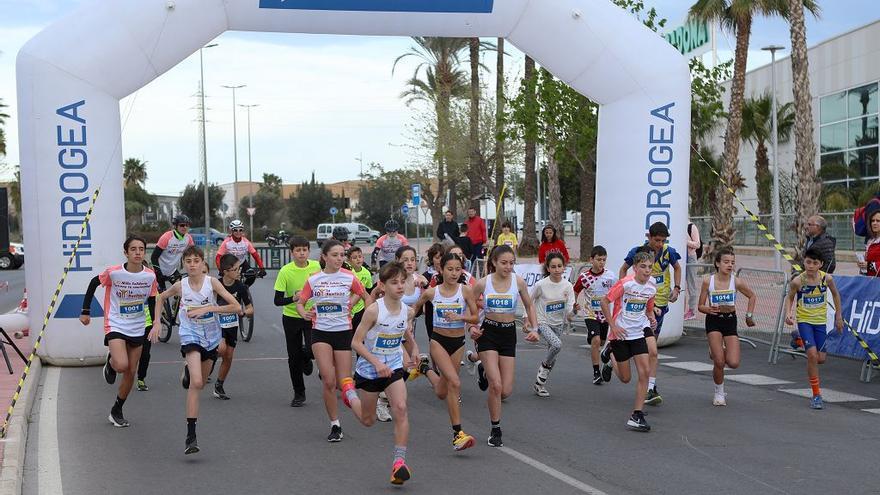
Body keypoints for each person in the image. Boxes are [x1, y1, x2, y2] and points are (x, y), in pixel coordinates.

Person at [150, 245, 241, 454]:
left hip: (211, 336)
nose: (192, 265)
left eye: (196, 261)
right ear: (184, 264)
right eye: (188, 261)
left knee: (199, 383)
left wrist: (210, 308)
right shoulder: (180, 285)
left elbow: (236, 306)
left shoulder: (213, 283)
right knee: (197, 382)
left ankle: (187, 369)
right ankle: (191, 436)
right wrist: (156, 323)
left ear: (203, 264)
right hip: (190, 333)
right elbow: (160, 297)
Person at [340, 262, 415, 485]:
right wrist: (375, 362)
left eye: (403, 281)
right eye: (394, 283)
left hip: (393, 366)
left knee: (400, 408)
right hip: (369, 370)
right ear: (382, 286)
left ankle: (398, 464)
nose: (400, 286)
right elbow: (355, 342)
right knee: (368, 420)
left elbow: (404, 333)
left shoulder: (408, 311)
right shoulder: (373, 310)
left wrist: (415, 351)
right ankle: (349, 394)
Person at [297, 240, 371, 442]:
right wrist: (304, 313)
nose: (339, 259)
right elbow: (301, 303)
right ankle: (335, 425)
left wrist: (356, 309)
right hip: (320, 332)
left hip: (343, 332)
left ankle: (353, 401)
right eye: (335, 255)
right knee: (329, 381)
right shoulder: (314, 279)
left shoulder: (349, 277)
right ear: (324, 257)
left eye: (342, 255)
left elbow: (365, 296)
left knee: (344, 382)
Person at [80, 236, 157, 428]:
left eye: (141, 249)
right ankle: (112, 361)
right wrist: (85, 310)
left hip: (138, 325)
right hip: (115, 323)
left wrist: (156, 323)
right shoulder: (114, 273)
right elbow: (93, 283)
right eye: (133, 249)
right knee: (122, 365)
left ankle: (117, 410)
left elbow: (153, 299)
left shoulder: (149, 276)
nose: (138, 252)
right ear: (126, 252)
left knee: (131, 371)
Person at [471, 245, 539, 447]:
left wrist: (534, 328)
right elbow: (470, 305)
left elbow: (529, 305)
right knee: (496, 385)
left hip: (509, 334)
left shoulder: (517, 281)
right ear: (493, 262)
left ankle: (483, 369)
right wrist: (472, 326)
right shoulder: (483, 283)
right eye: (504, 263)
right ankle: (495, 429)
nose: (508, 267)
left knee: (506, 391)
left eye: (511, 263)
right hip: (488, 333)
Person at [412, 252, 480, 452]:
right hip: (438, 341)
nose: (454, 273)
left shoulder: (466, 291)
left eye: (458, 269)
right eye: (449, 269)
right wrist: (405, 322)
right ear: (441, 269)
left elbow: (475, 317)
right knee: (454, 383)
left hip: (458, 342)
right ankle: (458, 433)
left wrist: (460, 316)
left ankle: (424, 369)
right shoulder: (432, 293)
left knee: (442, 391)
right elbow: (414, 309)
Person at [619, 222, 682, 406]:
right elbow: (624, 268)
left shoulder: (669, 252)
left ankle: (650, 387)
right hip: (637, 305)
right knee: (643, 348)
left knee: (652, 349)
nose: (659, 244)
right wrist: (625, 287)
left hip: (659, 304)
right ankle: (613, 352)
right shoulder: (638, 252)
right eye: (657, 240)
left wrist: (677, 288)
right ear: (649, 236)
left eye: (663, 240)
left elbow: (677, 268)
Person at [598, 250, 657, 432]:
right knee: (625, 378)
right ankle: (610, 354)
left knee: (645, 372)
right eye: (643, 267)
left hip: (638, 333)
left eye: (650, 267)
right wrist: (613, 326)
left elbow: (648, 306)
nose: (647, 271)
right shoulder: (626, 284)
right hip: (620, 334)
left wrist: (651, 316)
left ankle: (636, 414)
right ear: (634, 268)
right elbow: (604, 301)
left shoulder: (651, 287)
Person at [783, 248, 844, 410]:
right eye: (808, 262)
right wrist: (788, 314)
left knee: (821, 358)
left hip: (820, 322)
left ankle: (797, 339)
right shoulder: (798, 281)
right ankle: (816, 395)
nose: (810, 266)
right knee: (811, 355)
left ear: (821, 265)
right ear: (804, 262)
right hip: (804, 321)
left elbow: (836, 295)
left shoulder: (827, 279)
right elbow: (789, 298)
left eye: (815, 263)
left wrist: (839, 316)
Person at [697, 248, 756, 406]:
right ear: (717, 263)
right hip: (714, 320)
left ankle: (716, 350)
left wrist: (749, 315)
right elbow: (700, 306)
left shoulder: (736, 281)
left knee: (734, 362)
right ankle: (719, 392)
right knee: (719, 362)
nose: (730, 265)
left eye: (732, 262)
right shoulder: (707, 281)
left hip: (730, 320)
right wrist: (708, 309)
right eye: (726, 262)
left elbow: (752, 296)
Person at [141, 214, 194, 391]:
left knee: (183, 291)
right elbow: (155, 257)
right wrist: (158, 274)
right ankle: (163, 313)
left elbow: (192, 254)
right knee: (161, 295)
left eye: (187, 225)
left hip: (173, 270)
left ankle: (174, 308)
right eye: (181, 225)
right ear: (175, 226)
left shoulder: (188, 238)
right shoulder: (166, 237)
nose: (184, 228)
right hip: (160, 271)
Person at [274, 236, 321, 407]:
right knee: (293, 358)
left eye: (304, 250)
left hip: (311, 316)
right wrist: (293, 298)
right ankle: (299, 393)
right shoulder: (286, 271)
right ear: (292, 252)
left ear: (309, 251)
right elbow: (277, 300)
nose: (301, 253)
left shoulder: (317, 267)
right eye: (298, 250)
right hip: (292, 317)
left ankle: (306, 357)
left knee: (313, 349)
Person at [530, 253, 576, 398]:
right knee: (557, 345)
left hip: (558, 325)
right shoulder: (541, 285)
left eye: (559, 266)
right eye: (553, 267)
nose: (557, 269)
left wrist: (574, 310)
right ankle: (543, 369)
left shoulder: (568, 286)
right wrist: (528, 321)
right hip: (542, 322)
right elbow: (529, 302)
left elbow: (569, 311)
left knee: (554, 354)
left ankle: (539, 385)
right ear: (548, 268)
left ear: (564, 268)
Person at [573, 245, 617, 385]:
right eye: (598, 259)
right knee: (597, 340)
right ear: (591, 260)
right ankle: (596, 372)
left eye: (604, 260)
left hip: (605, 314)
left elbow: (617, 291)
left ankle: (603, 351)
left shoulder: (610, 276)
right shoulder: (584, 277)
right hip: (590, 313)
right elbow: (575, 290)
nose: (601, 263)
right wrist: (574, 304)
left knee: (602, 342)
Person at [213, 254, 254, 400]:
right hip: (217, 326)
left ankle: (219, 384)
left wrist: (242, 312)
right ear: (225, 271)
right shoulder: (216, 286)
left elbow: (250, 309)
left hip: (232, 325)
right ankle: (210, 358)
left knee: (228, 356)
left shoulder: (241, 287)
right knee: (221, 349)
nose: (239, 272)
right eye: (235, 269)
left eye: (239, 268)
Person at [215, 219, 267, 286]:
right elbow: (218, 257)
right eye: (235, 230)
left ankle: (245, 288)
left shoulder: (245, 242)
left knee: (252, 275)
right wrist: (220, 269)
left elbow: (255, 255)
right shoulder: (227, 242)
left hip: (242, 263)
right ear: (232, 231)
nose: (238, 232)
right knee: (229, 284)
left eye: (240, 230)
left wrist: (262, 268)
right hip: (230, 265)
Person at [421, 243, 445, 340]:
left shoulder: (449, 274)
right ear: (432, 259)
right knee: (433, 340)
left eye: (442, 257)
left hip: (446, 310)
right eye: (437, 257)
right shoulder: (426, 275)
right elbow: (422, 295)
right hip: (431, 311)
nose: (440, 260)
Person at [684, 221, 702, 320]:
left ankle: (692, 310)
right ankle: (681, 310)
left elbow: (697, 244)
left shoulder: (691, 226)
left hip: (690, 257)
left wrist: (684, 241)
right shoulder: (676, 225)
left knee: (692, 284)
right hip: (680, 257)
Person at [860, 210, 880, 276]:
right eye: (872, 221)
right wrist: (863, 264)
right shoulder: (870, 241)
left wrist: (869, 266)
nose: (874, 223)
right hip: (871, 281)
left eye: (878, 221)